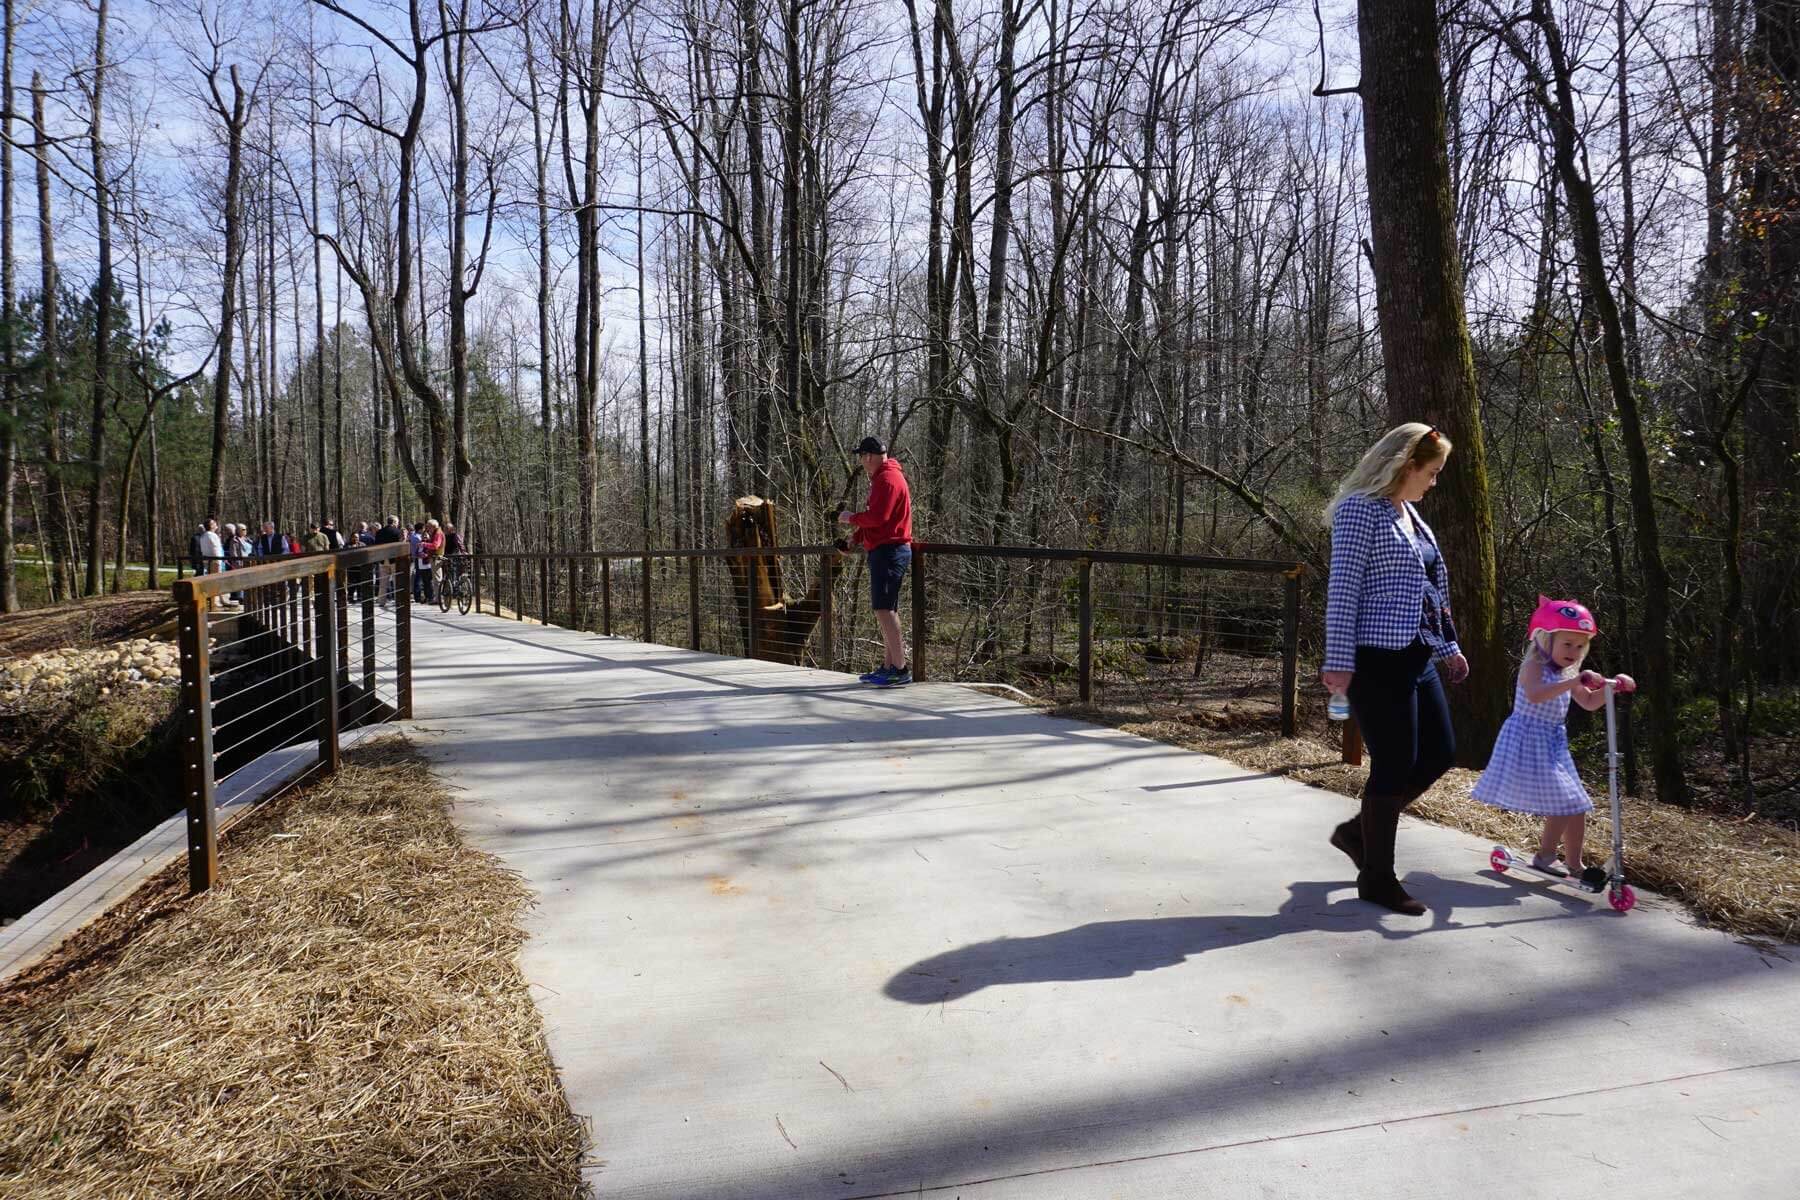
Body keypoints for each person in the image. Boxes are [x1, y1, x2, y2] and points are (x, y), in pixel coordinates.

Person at [1321, 422, 1469, 915]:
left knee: (1440, 752)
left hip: (1417, 654)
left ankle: (1357, 833)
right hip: (1375, 658)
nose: (1435, 481)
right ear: (1406, 466)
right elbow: (1343, 591)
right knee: (1393, 763)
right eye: (1432, 471)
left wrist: (1449, 647)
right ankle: (1377, 878)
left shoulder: (1410, 514)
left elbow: (1429, 590)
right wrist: (1339, 662)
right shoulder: (1359, 510)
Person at [1472, 597, 1637, 877]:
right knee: (1564, 801)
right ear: (1545, 640)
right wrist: (1575, 680)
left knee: (1576, 803)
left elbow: (1589, 702)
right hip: (1528, 742)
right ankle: (1545, 856)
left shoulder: (1569, 672)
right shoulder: (1534, 667)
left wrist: (1613, 688)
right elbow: (1536, 695)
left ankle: (1574, 863)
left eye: (1580, 646)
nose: (1574, 651)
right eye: (1567, 644)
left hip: (1553, 743)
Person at [838, 435, 913, 686]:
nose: (861, 461)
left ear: (868, 456)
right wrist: (855, 539)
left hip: (890, 551)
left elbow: (879, 517)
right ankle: (888, 667)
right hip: (886, 549)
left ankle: (900, 670)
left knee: (884, 610)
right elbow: (877, 520)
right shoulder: (884, 477)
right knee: (886, 609)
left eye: (861, 456)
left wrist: (850, 518)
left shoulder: (887, 479)